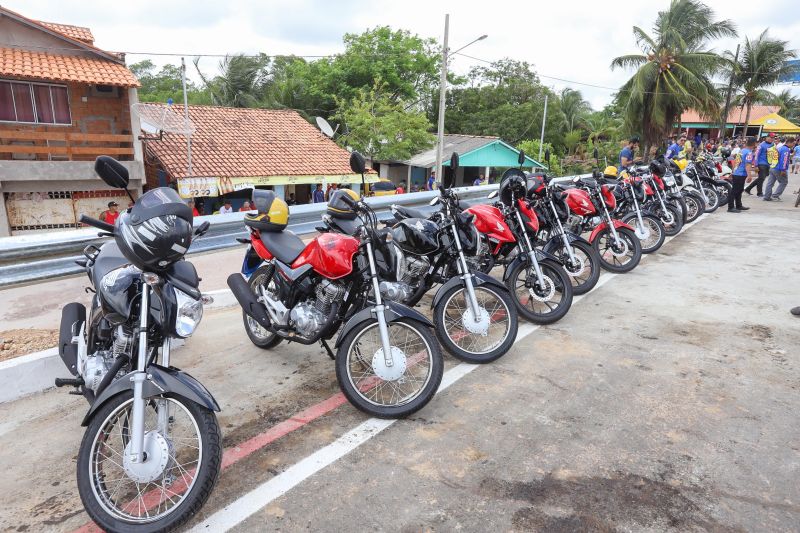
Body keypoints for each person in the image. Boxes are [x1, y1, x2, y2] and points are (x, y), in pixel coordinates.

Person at [763, 137, 795, 202]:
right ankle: (775, 195)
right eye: (793, 143)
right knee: (784, 182)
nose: (793, 145)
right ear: (789, 142)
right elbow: (784, 160)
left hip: (773, 167)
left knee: (770, 183)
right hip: (779, 168)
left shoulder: (780, 148)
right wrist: (783, 169)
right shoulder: (786, 149)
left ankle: (767, 196)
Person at [728, 136, 755, 213]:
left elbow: (736, 162)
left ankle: (739, 205)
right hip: (741, 174)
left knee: (739, 190)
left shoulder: (742, 150)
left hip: (737, 172)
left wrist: (733, 172)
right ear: (754, 144)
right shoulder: (749, 152)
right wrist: (749, 175)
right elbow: (748, 164)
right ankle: (731, 207)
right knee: (735, 191)